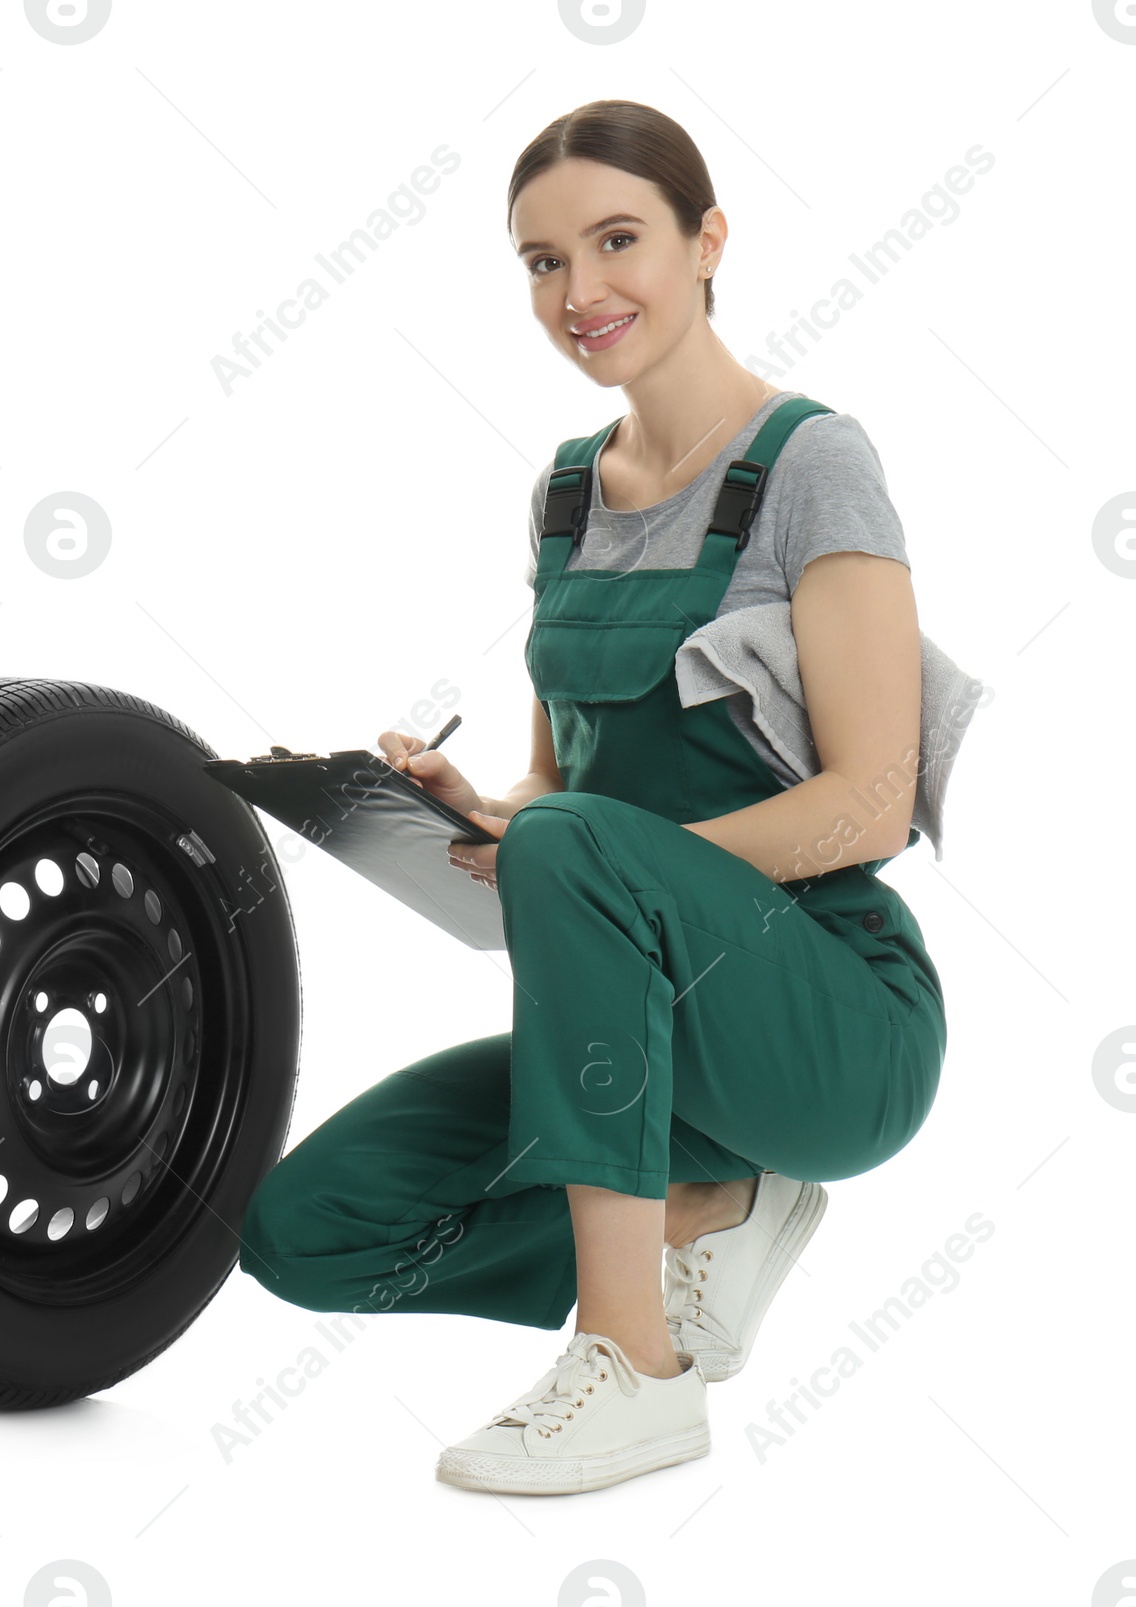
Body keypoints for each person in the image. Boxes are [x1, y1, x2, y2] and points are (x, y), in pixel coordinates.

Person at [236, 98, 945, 1498]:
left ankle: (637, 1369)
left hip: (824, 1019)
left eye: (617, 241)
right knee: (303, 1228)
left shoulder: (813, 465)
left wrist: (589, 855)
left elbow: (869, 802)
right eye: (543, 262)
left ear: (707, 242)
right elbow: (563, 790)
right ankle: (713, 1201)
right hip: (649, 1057)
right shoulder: (567, 494)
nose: (581, 291)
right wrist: (477, 814)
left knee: (575, 846)